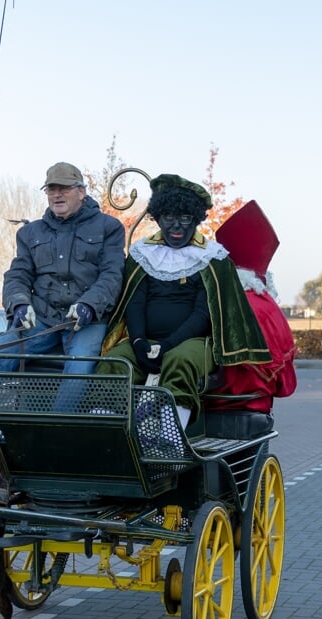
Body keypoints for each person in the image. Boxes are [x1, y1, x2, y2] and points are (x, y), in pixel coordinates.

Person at [98, 174, 271, 429]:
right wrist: (138, 343)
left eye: (185, 218)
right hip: (145, 340)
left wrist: (167, 345)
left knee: (179, 361)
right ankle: (108, 431)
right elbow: (134, 303)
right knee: (116, 362)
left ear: (196, 219)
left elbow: (202, 314)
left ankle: (169, 435)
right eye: (169, 217)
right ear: (158, 218)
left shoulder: (212, 257)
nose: (176, 226)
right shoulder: (142, 253)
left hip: (192, 342)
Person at [0, 162, 126, 374]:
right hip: (41, 319)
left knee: (80, 369)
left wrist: (89, 305)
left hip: (86, 322)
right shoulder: (30, 233)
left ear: (81, 192)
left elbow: (112, 275)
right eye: (51, 189)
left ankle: (61, 409)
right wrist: (19, 304)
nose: (57, 195)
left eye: (64, 188)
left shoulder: (109, 228)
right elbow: (17, 275)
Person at [204, 200, 298, 414]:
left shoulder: (214, 299)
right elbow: (284, 383)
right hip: (253, 406)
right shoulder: (268, 307)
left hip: (209, 404)